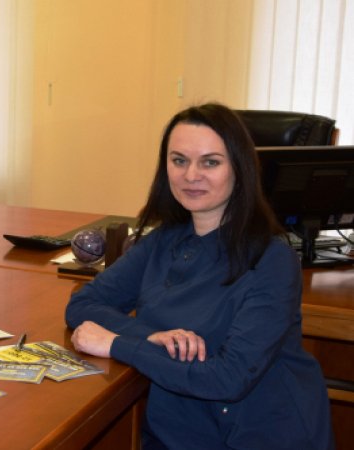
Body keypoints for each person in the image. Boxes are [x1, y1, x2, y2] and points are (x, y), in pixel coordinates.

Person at [66, 103, 334, 449]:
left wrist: (118, 343)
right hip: (177, 431)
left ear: (239, 169)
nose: (191, 175)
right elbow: (82, 305)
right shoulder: (162, 242)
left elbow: (228, 378)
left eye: (210, 162)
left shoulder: (272, 260)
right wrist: (152, 337)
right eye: (179, 160)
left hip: (257, 435)